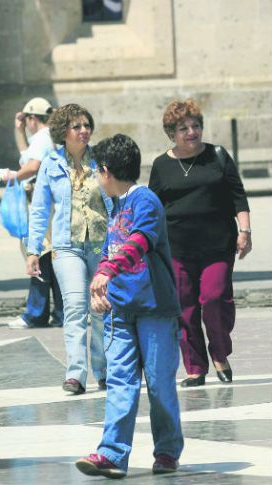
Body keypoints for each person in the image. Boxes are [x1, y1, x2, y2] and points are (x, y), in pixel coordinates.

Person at [76, 134, 183, 479]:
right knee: (120, 380)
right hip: (121, 310)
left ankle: (166, 450)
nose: (95, 178)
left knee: (158, 383)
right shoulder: (116, 206)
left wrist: (108, 270)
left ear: (105, 171)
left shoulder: (145, 201)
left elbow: (139, 241)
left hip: (155, 308)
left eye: (95, 172)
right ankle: (112, 454)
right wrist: (100, 287)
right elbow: (111, 250)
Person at [148, 99, 252, 387]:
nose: (192, 132)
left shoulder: (217, 155)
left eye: (196, 126)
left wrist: (245, 231)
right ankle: (194, 367)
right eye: (184, 128)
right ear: (172, 133)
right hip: (177, 248)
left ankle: (220, 353)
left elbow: (237, 195)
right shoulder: (161, 165)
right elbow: (153, 207)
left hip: (218, 245)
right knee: (185, 308)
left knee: (215, 299)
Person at [27, 103, 111, 395]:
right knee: (75, 308)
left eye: (87, 125)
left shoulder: (102, 159)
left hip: (102, 245)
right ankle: (76, 373)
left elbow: (118, 196)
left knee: (101, 308)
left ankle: (103, 369)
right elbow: (40, 209)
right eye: (77, 126)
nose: (84, 131)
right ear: (64, 132)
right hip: (67, 246)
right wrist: (33, 249)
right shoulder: (51, 163)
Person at [0, 97, 64, 329]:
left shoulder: (42, 138)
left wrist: (10, 176)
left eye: (27, 120)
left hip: (42, 206)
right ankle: (59, 313)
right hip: (50, 206)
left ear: (32, 119)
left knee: (38, 256)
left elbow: (32, 167)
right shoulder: (46, 138)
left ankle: (36, 313)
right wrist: (19, 130)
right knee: (50, 257)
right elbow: (26, 154)